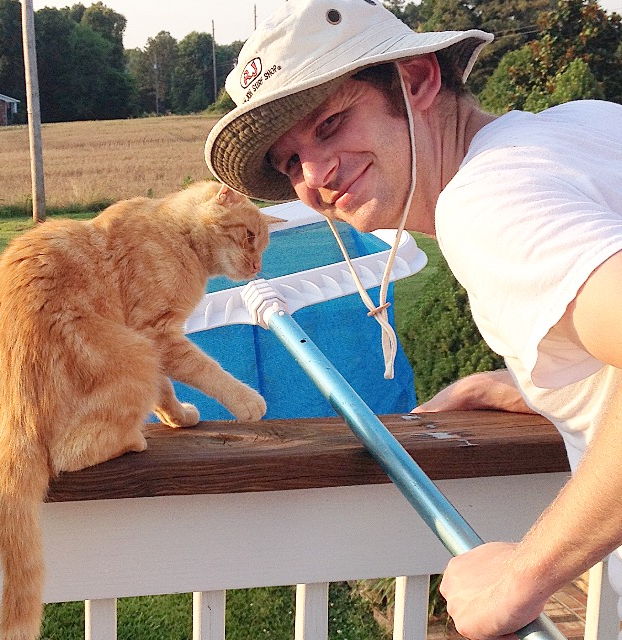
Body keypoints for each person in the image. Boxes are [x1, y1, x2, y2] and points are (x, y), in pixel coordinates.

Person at [204, 0, 622, 637]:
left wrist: (522, 578)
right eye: (291, 163)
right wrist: (558, 384)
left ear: (420, 80)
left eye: (330, 124)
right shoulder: (585, 128)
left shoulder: (485, 206)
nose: (315, 177)